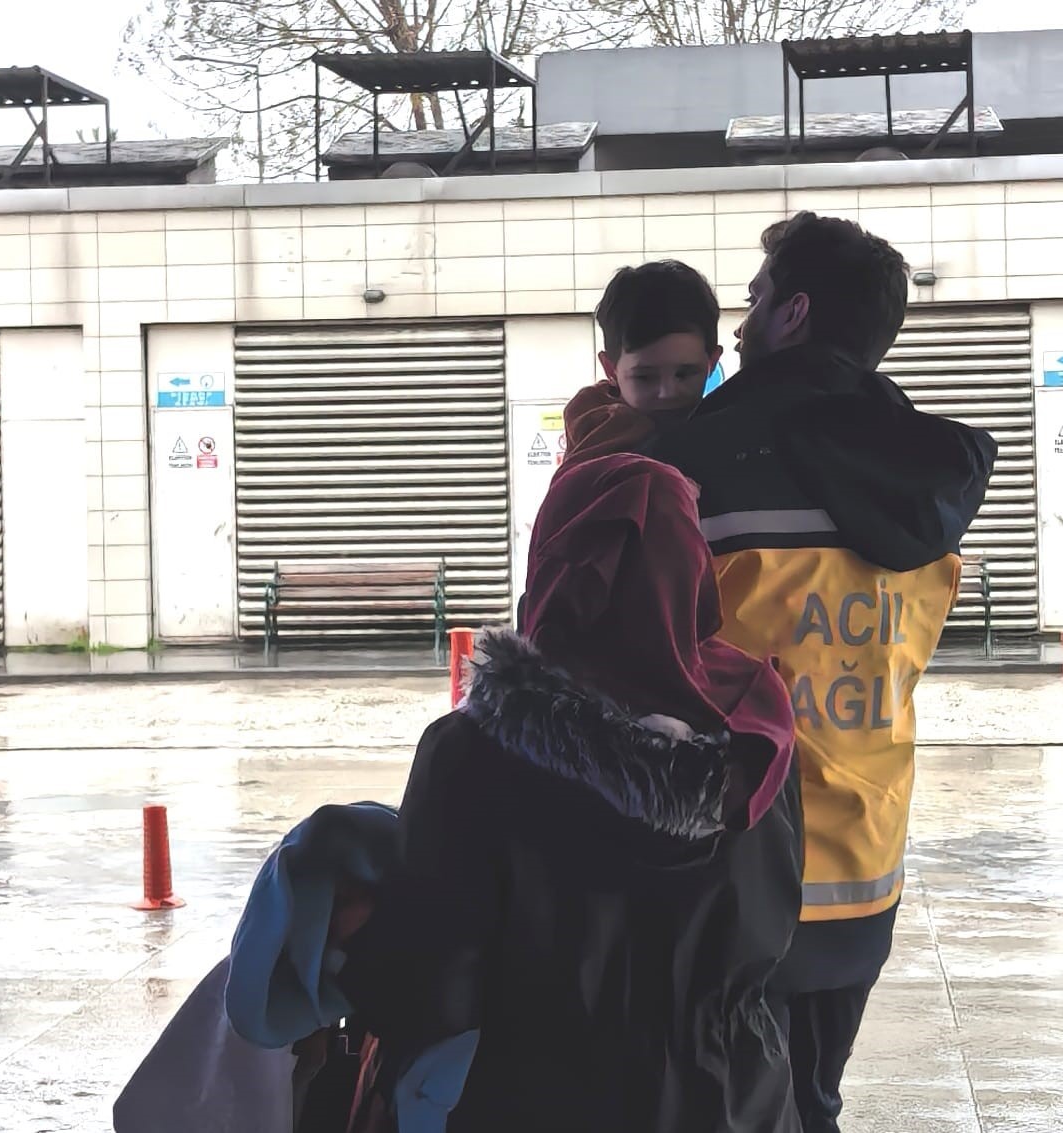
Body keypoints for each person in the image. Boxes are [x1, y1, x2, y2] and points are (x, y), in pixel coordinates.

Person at [648, 211, 998, 1133]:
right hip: (866, 863)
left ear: (794, 312)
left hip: (732, 865)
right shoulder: (926, 477)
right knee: (813, 1102)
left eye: (756, 297)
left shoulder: (700, 463)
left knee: (725, 1109)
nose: (740, 322)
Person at [339, 453, 805, 1133]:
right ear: (694, 571)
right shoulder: (760, 730)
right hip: (740, 1099)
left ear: (551, 568)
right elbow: (779, 927)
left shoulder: (470, 753)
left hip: (538, 1101)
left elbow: (430, 990)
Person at [562, 260, 722, 463]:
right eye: (645, 377)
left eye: (684, 374)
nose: (667, 393)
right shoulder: (600, 448)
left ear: (712, 363)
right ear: (610, 369)